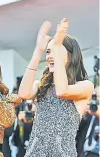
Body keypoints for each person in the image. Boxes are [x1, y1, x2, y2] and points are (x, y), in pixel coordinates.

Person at [19, 18, 94, 157]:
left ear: (71, 56)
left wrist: (57, 43)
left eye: (55, 51)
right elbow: (23, 93)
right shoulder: (41, 85)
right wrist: (38, 50)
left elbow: (62, 91)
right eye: (48, 52)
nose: (49, 56)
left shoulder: (85, 86)